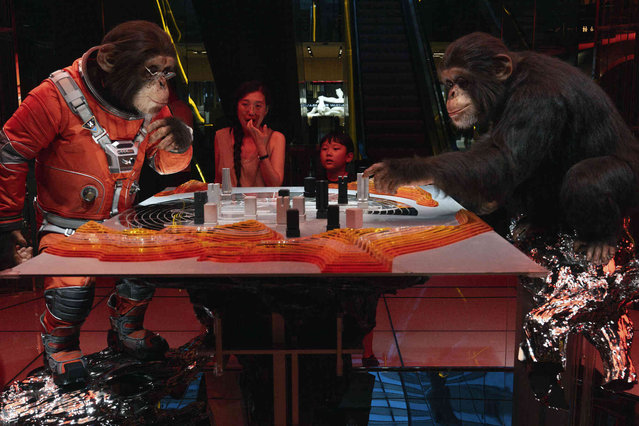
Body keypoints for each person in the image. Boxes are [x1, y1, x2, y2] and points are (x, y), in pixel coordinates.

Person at [0, 21, 193, 387]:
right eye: (153, 71)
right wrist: (8, 221)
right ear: (109, 62)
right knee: (72, 290)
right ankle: (60, 344)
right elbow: (11, 150)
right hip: (66, 221)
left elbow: (166, 166)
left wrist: (180, 141)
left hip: (122, 219)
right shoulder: (56, 95)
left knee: (146, 269)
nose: (162, 84)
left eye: (166, 72)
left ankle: (127, 328)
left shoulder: (147, 104)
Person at [214, 80, 286, 187]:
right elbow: (218, 183)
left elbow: (275, 185)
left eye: (258, 106)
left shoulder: (276, 138)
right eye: (245, 104)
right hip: (230, 203)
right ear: (237, 107)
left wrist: (261, 148)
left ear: (266, 110)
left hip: (264, 204)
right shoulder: (221, 136)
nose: (251, 112)